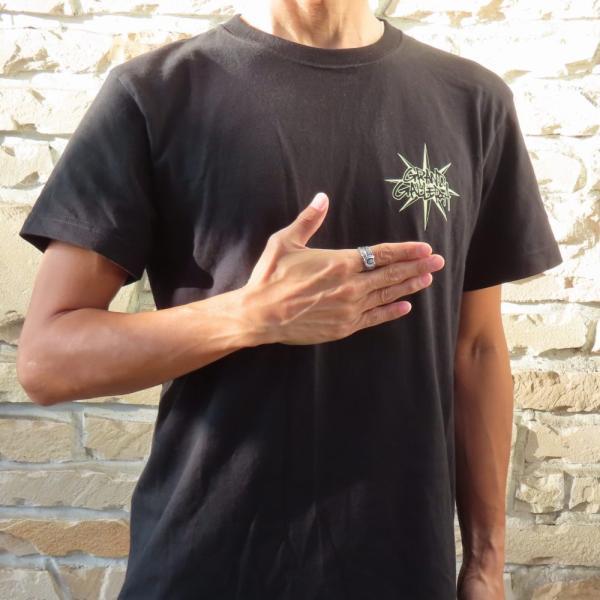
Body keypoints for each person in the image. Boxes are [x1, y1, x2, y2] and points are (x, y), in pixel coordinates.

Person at [16, 1, 563, 598]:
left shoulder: (472, 101)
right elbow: (48, 361)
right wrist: (252, 316)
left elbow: (476, 349)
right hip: (207, 568)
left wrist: (485, 565)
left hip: (402, 567)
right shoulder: (154, 93)